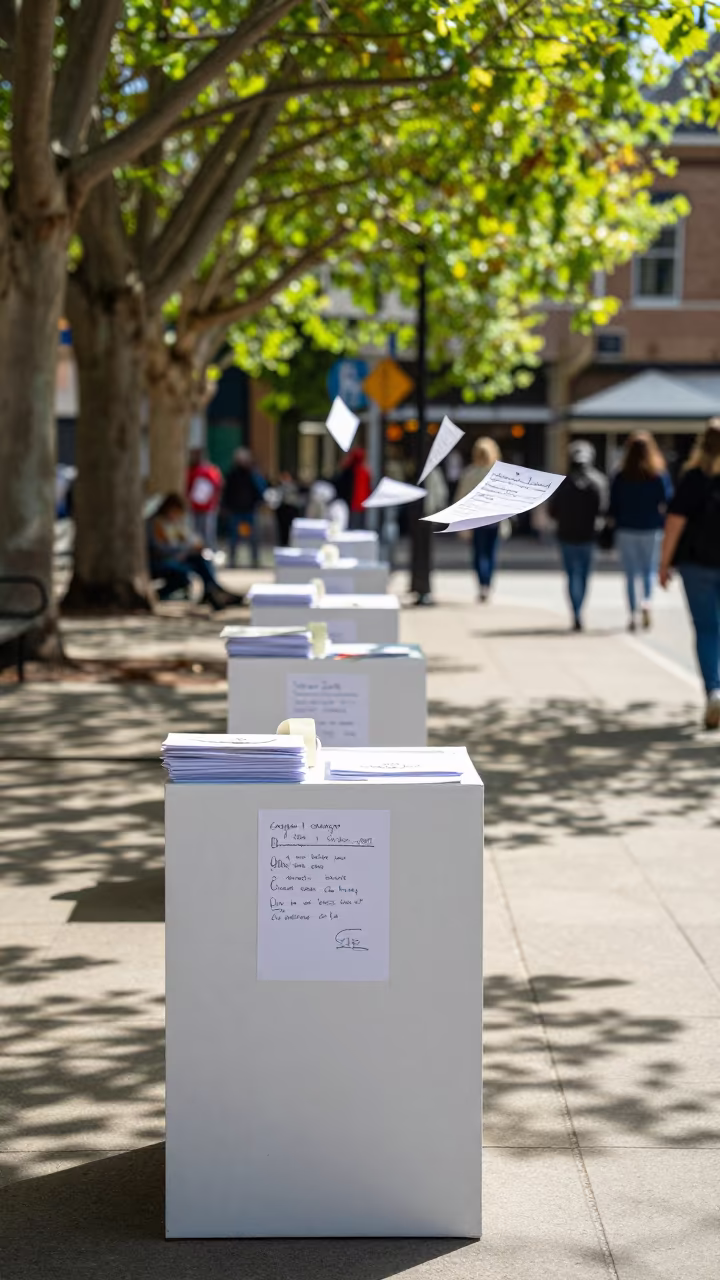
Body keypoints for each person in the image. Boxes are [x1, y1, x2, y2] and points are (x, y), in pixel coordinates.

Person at [659, 420, 720, 730]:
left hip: (697, 565)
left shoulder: (693, 479)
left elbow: (674, 524)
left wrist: (663, 564)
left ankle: (714, 691)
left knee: (708, 630)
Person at [609, 432, 673, 631]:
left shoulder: (621, 475)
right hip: (651, 528)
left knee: (630, 573)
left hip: (627, 528)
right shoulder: (658, 475)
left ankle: (633, 613)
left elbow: (613, 504)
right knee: (648, 570)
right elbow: (668, 501)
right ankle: (646, 601)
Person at [549, 440, 608, 631]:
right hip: (587, 537)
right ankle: (578, 610)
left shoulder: (563, 483)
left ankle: (576, 611)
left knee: (572, 575)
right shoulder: (598, 481)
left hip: (567, 536)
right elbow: (603, 509)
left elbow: (553, 511)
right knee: (583, 576)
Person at [148, 494, 243, 610]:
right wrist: (185, 550)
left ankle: (212, 589)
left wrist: (193, 546)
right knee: (186, 571)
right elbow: (160, 548)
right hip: (161, 560)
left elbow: (189, 538)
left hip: (177, 557)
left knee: (200, 559)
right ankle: (214, 591)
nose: (176, 515)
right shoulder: (156, 523)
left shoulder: (176, 523)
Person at [456, 438, 501, 602]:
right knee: (490, 554)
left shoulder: (469, 473)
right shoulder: (497, 473)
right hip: (493, 521)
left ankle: (482, 584)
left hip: (475, 520)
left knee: (479, 555)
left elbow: (461, 499)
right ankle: (487, 584)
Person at [410, 464, 448, 606]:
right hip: (425, 515)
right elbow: (441, 494)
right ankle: (421, 590)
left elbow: (440, 494)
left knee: (425, 553)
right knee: (421, 554)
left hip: (427, 515)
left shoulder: (430, 472)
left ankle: (424, 590)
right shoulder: (423, 471)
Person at [222, 448, 267, 567]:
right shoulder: (232, 475)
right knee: (233, 538)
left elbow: (259, 491)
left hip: (249, 511)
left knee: (252, 538)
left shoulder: (252, 475)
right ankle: (232, 561)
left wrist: (259, 502)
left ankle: (255, 561)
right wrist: (226, 507)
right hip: (235, 511)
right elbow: (227, 493)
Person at [187, 449, 223, 550]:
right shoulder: (210, 470)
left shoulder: (207, 471)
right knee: (203, 533)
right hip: (202, 507)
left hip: (205, 507)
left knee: (204, 533)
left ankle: (207, 553)